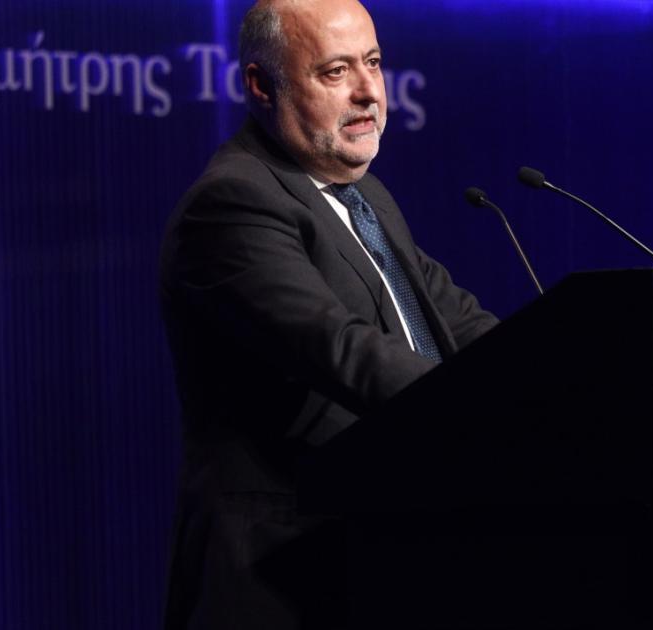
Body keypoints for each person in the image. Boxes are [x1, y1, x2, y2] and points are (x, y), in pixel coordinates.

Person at [159, 0, 498, 627]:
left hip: (383, 556)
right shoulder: (233, 204)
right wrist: (484, 415)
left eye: (373, 62)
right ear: (262, 85)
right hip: (282, 576)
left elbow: (453, 318)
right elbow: (340, 348)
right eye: (336, 72)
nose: (369, 92)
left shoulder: (364, 197)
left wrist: (550, 380)